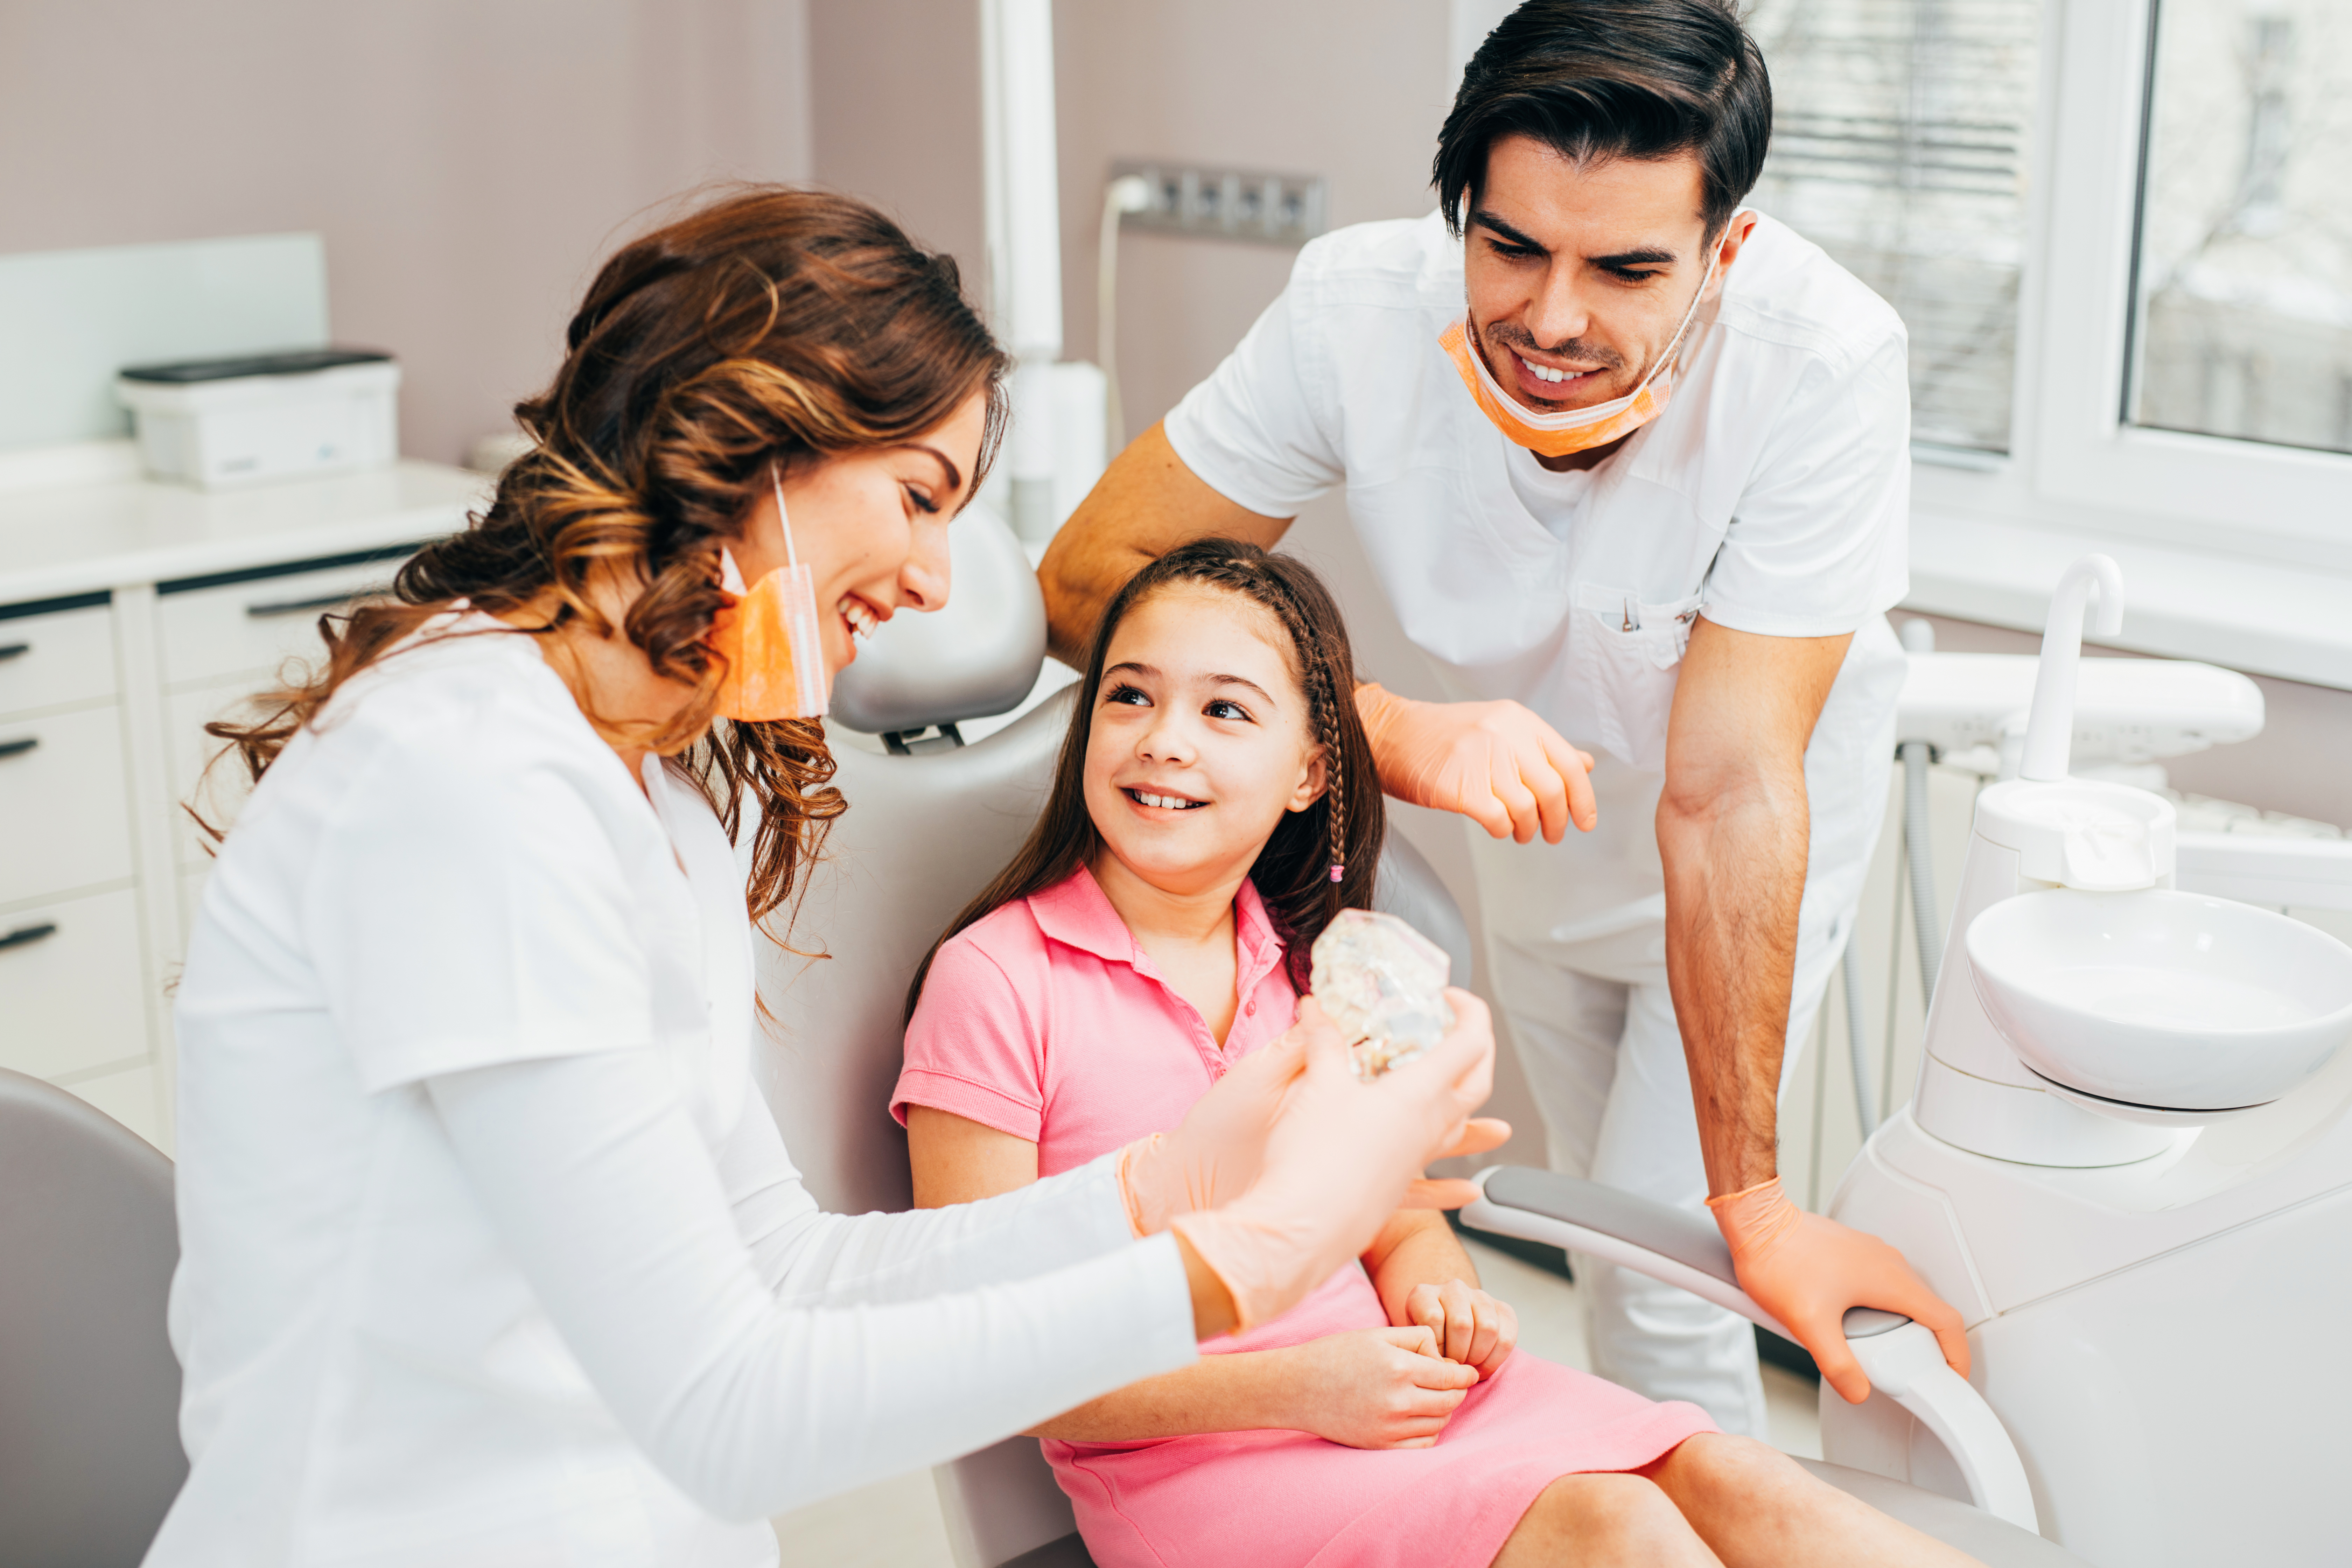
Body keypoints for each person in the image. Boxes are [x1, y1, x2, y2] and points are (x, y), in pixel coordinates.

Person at [149, 188, 1506, 1568]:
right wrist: (1252, 1256)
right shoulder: (467, 783)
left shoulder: (657, 786)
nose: (934, 580)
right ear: (748, 434)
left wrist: (1165, 1181)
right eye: (919, 497)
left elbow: (790, 1267)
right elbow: (730, 1407)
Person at [1038, 0, 1966, 1433]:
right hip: (1524, 822)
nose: (1551, 320)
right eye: (1512, 245)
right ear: (1460, 209)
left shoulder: (1824, 363)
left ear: (1729, 252)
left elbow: (1724, 791)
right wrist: (1389, 730)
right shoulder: (1356, 311)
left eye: (1626, 268)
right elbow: (1091, 574)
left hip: (1750, 837)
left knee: (1679, 1262)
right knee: (1593, 1236)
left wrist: (1762, 1203)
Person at [897, 539, 1981, 1568]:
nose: (1164, 738)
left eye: (1225, 709)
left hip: (1390, 1398)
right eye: (1129, 694)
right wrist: (1300, 1388)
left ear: (1311, 773)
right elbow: (985, 1362)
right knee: (1615, 1526)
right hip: (1202, 1464)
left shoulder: (1323, 972)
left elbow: (1400, 1222)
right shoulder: (997, 981)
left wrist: (1441, 1299)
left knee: (1737, 1477)